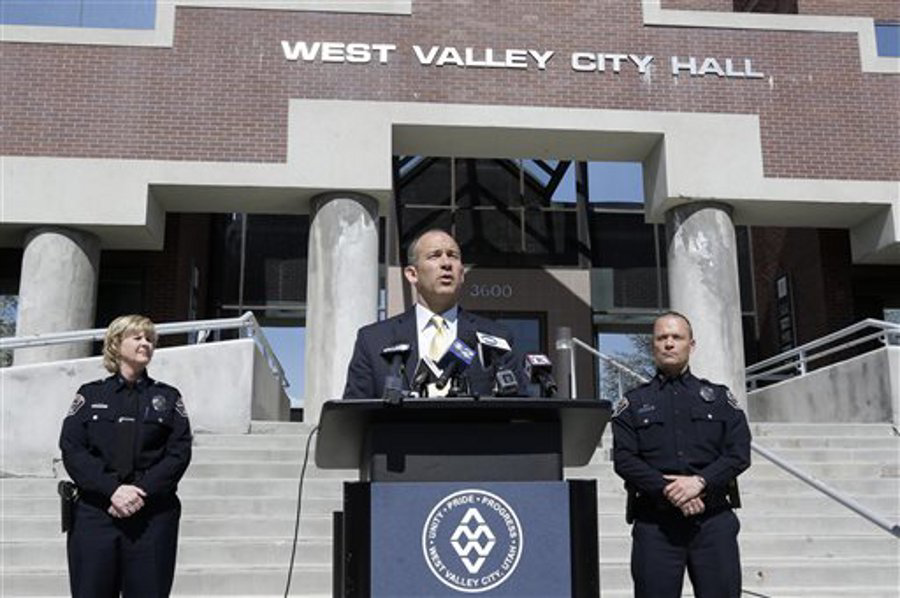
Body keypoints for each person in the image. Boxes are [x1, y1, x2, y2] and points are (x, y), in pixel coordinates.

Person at [612, 311, 751, 598]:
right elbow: (625, 460)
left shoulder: (721, 398)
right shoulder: (633, 403)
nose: (669, 343)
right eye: (662, 337)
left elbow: (738, 453)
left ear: (691, 345)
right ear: (653, 346)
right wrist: (670, 491)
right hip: (656, 526)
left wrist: (698, 483)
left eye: (677, 337)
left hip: (712, 522)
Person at [59, 315, 192, 598]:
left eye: (150, 339)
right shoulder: (90, 394)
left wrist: (139, 492)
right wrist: (112, 490)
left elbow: (178, 452)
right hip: (96, 515)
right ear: (116, 344)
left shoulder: (168, 398)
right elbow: (72, 448)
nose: (146, 343)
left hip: (152, 517)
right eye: (138, 337)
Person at [343, 228, 525, 399]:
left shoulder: (495, 338)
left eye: (453, 256)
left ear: (462, 274)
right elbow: (354, 418)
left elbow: (519, 411)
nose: (446, 263)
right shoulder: (373, 340)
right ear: (412, 274)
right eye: (434, 256)